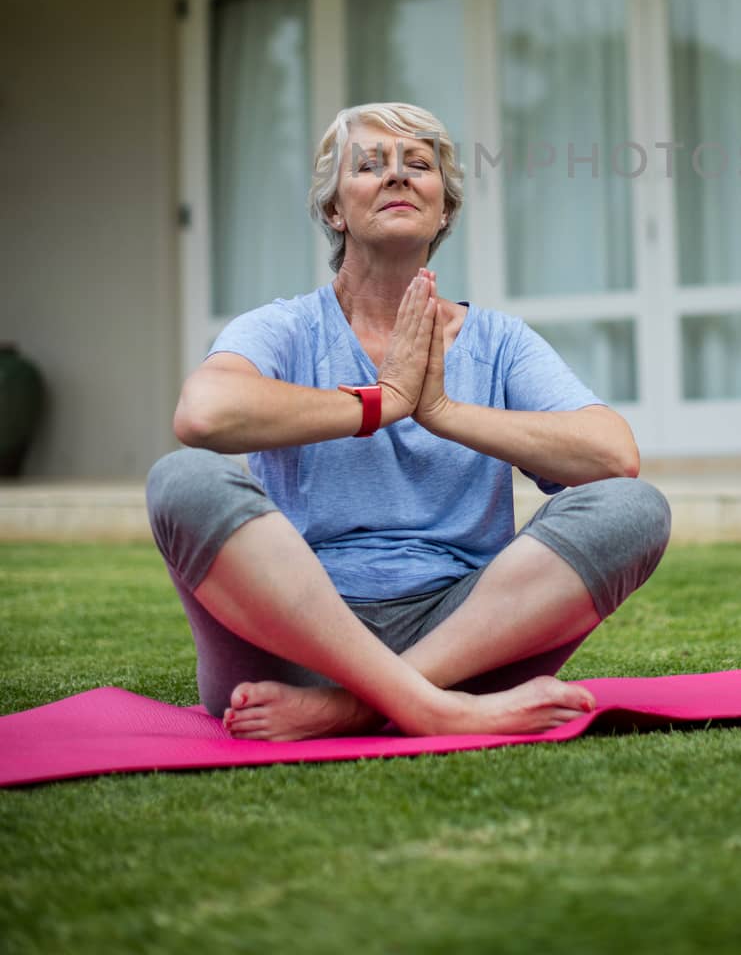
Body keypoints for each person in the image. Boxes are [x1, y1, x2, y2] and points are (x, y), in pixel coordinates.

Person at [146, 102, 671, 741]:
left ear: (442, 209)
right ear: (334, 209)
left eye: (417, 165)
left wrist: (443, 413)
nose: (397, 177)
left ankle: (360, 708)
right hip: (295, 637)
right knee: (182, 479)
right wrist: (381, 401)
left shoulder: (500, 342)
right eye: (370, 165)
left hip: (465, 638)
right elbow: (203, 415)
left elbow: (613, 456)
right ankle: (427, 705)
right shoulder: (283, 327)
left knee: (634, 507)